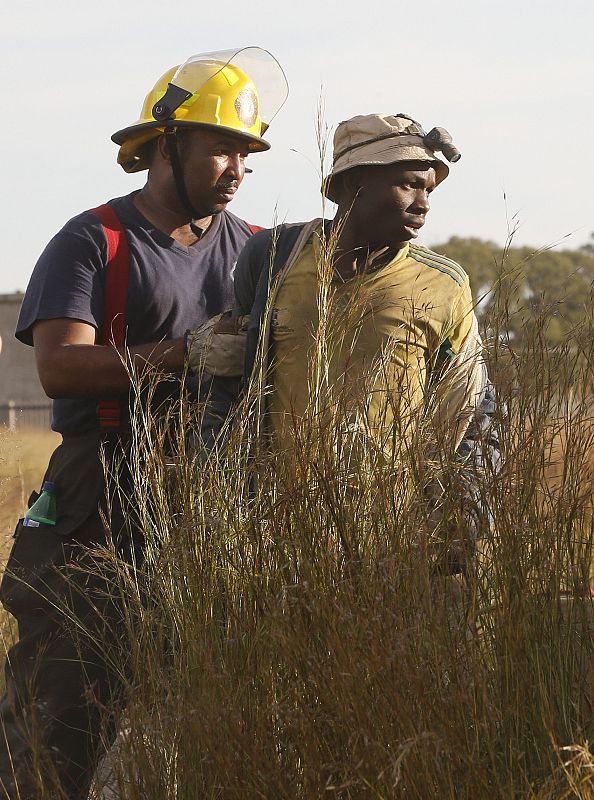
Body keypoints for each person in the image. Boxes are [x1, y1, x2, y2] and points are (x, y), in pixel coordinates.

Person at [0, 47, 287, 799]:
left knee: (204, 722)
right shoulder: (92, 241)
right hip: (99, 501)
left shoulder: (254, 249)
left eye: (246, 154)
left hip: (214, 498)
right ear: (166, 147)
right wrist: (186, 354)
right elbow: (61, 367)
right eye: (221, 147)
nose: (236, 168)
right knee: (59, 723)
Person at [195, 113, 499, 565]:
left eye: (429, 189)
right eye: (409, 185)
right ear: (347, 188)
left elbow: (471, 410)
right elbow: (231, 379)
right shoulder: (276, 256)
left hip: (391, 534)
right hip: (276, 530)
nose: (423, 204)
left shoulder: (443, 284)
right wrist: (217, 499)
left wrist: (459, 517)